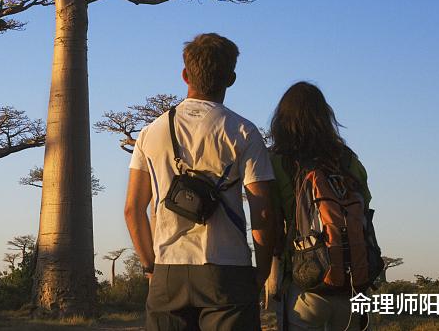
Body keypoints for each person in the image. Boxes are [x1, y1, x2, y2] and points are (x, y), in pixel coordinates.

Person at [125, 33, 277, 331]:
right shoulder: (243, 131)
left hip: (168, 270)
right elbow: (263, 211)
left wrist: (151, 268)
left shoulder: (150, 133)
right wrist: (262, 272)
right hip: (227, 270)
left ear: (185, 75)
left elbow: (132, 209)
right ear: (231, 78)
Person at [266, 81, 373, 331]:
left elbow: (270, 224)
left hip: (303, 285)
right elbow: (364, 206)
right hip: (353, 285)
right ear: (326, 117)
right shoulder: (348, 160)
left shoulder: (277, 161)